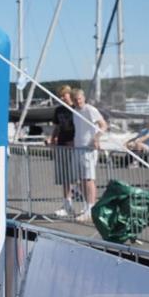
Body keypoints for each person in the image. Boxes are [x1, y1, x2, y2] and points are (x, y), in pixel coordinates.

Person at [70, 88, 107, 223]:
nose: (78, 102)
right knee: (79, 179)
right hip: (78, 148)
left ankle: (91, 209)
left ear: (83, 98)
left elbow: (103, 125)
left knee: (88, 179)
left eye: (79, 99)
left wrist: (96, 138)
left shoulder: (90, 109)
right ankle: (87, 206)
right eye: (75, 100)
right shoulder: (75, 112)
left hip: (89, 148)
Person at [50, 86, 78, 217]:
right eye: (60, 96)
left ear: (69, 95)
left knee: (77, 175)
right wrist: (52, 139)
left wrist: (76, 141)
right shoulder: (58, 110)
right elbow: (56, 126)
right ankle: (67, 204)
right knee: (64, 176)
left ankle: (86, 205)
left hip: (74, 144)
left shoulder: (76, 108)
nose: (61, 98)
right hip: (61, 143)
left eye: (64, 95)